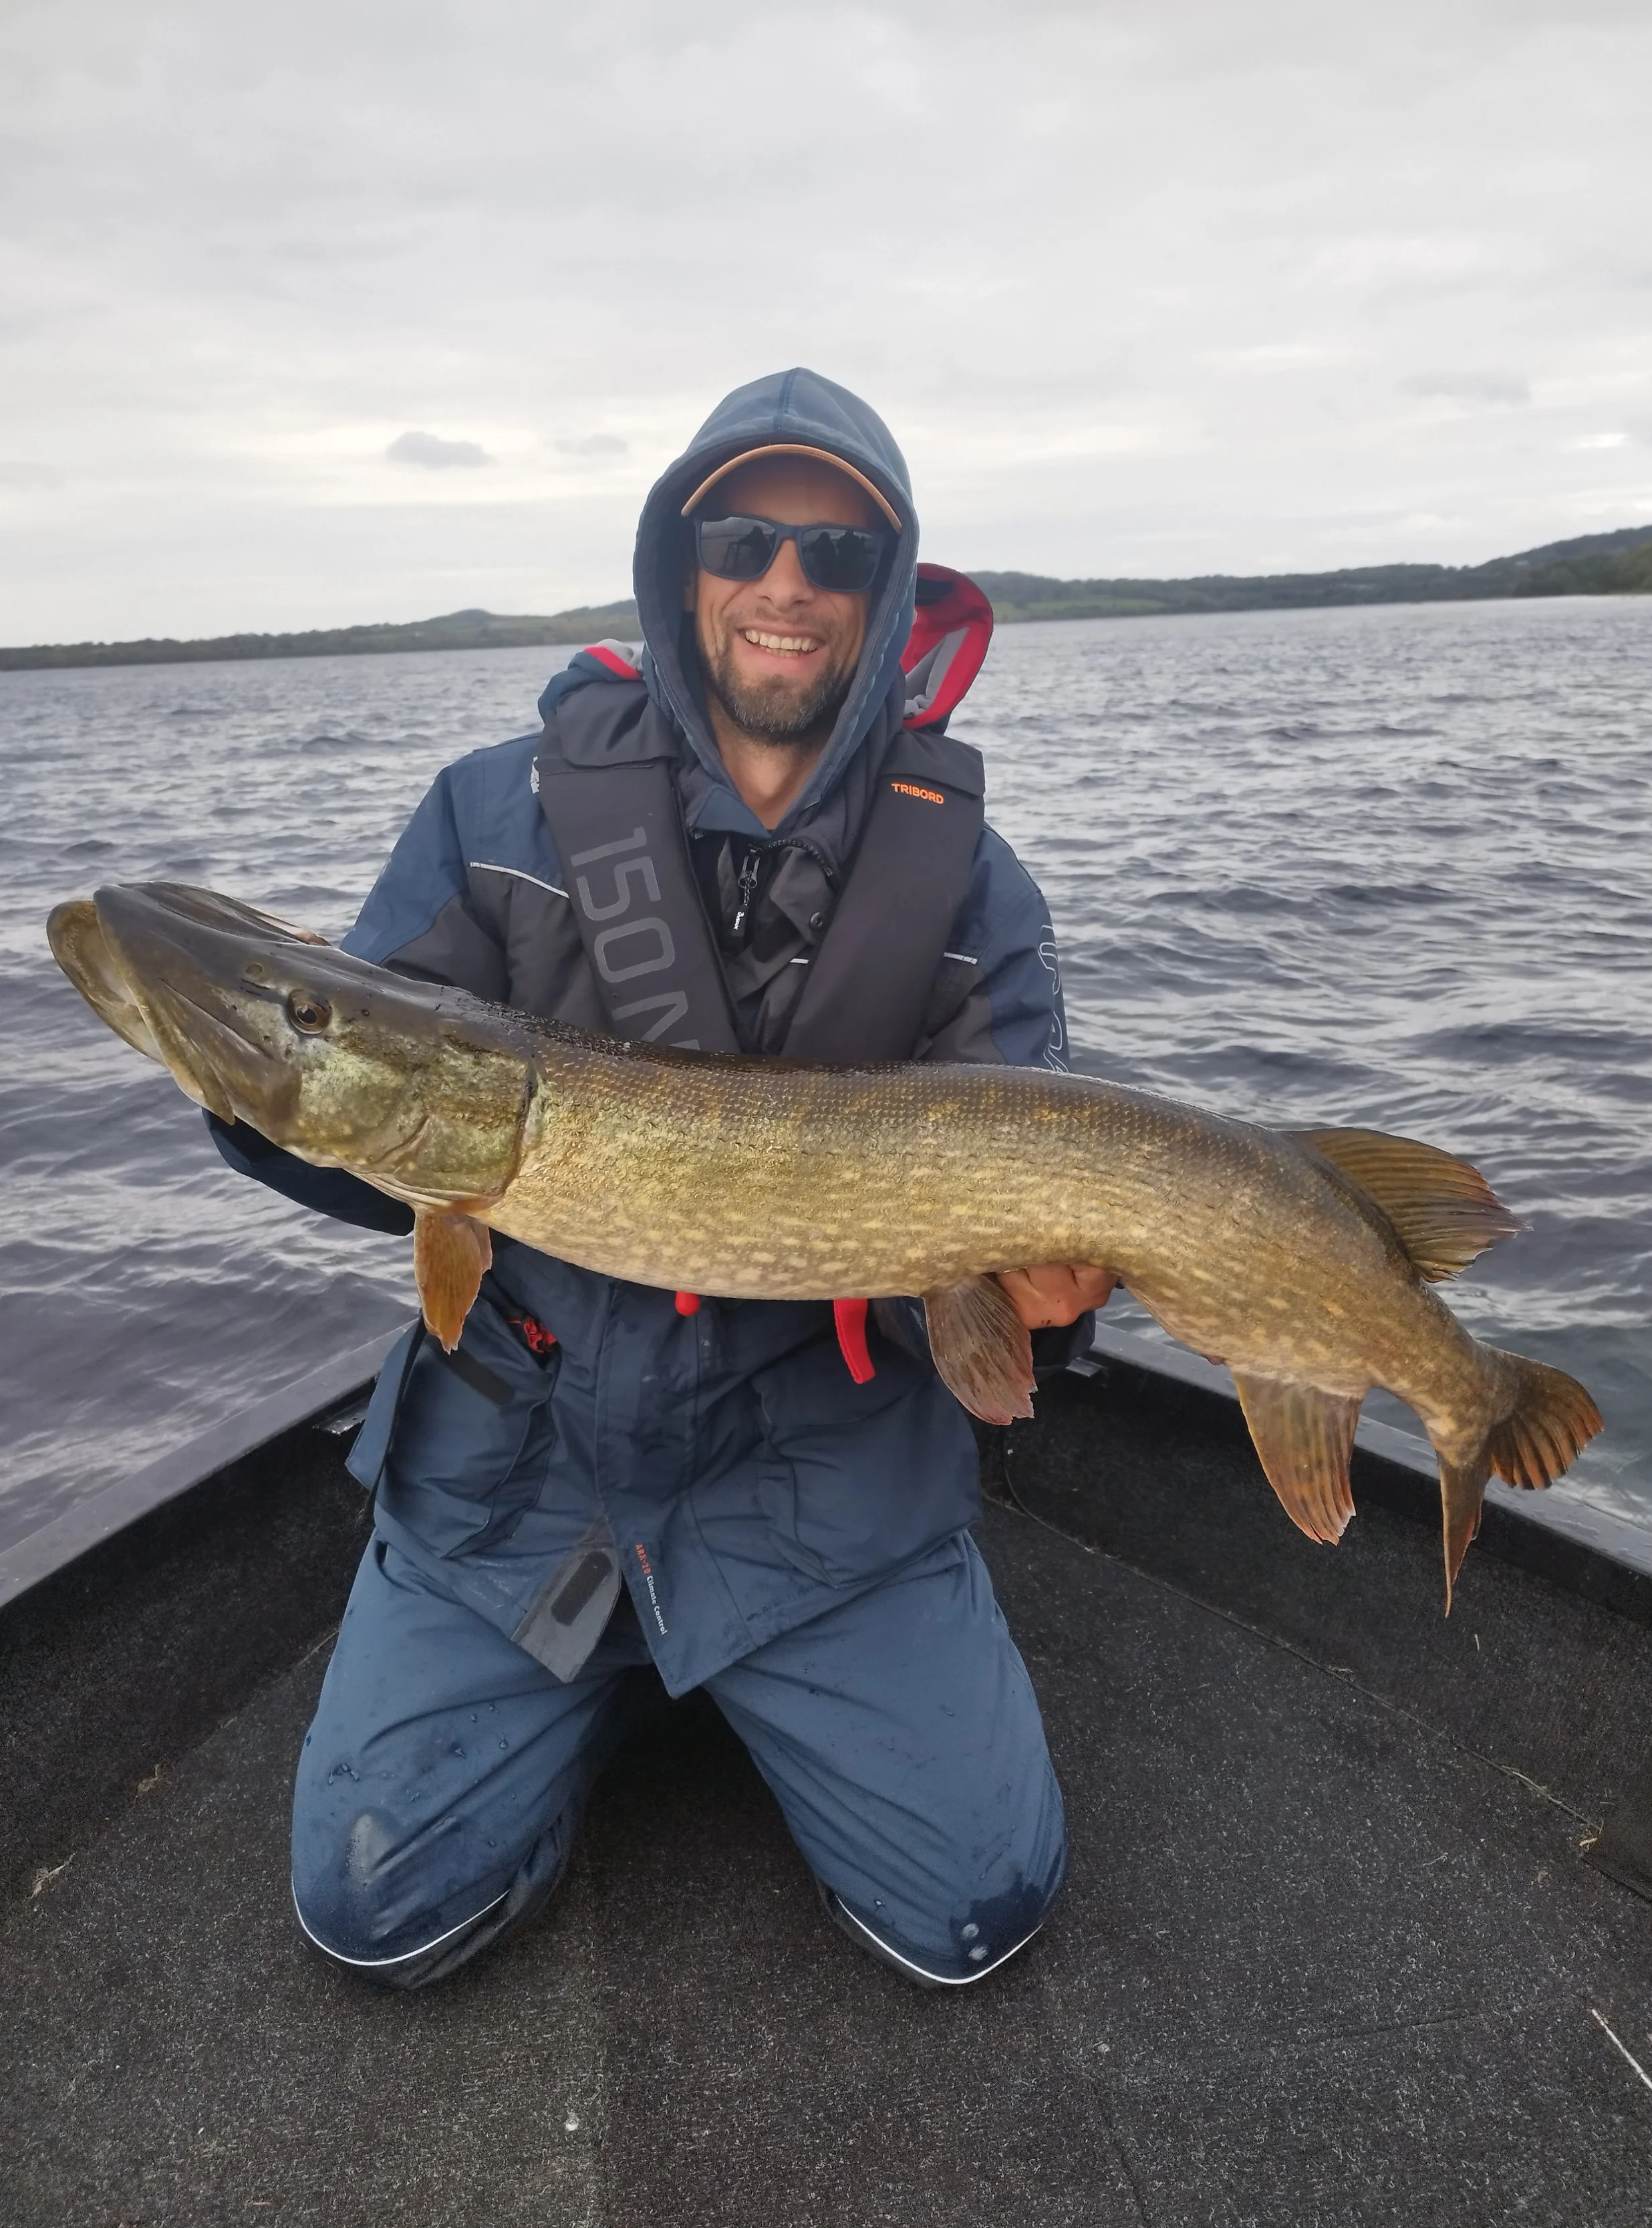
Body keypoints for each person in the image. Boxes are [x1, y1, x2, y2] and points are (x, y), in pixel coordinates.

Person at [210, 368, 1115, 1990]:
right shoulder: (496, 816)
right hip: (525, 1473)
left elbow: (990, 1314)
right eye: (743, 536)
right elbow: (381, 1138)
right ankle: (596, 1671)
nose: (784, 583)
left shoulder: (973, 894)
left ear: (884, 594)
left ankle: (709, 1663)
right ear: (680, 561)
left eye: (834, 557)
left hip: (816, 1487)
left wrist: (1042, 1315)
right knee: (374, 1901)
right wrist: (254, 1084)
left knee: (978, 1906)